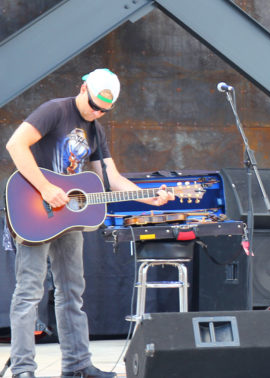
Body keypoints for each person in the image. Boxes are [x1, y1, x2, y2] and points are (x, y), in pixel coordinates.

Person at [5, 69, 174, 378]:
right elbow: (15, 145)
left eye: (103, 110)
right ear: (83, 89)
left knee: (72, 293)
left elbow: (111, 179)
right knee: (29, 293)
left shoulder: (96, 130)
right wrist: (45, 187)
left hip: (69, 219)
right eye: (94, 105)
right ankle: (23, 370)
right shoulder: (55, 110)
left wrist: (147, 197)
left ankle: (78, 366)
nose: (96, 112)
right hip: (35, 209)